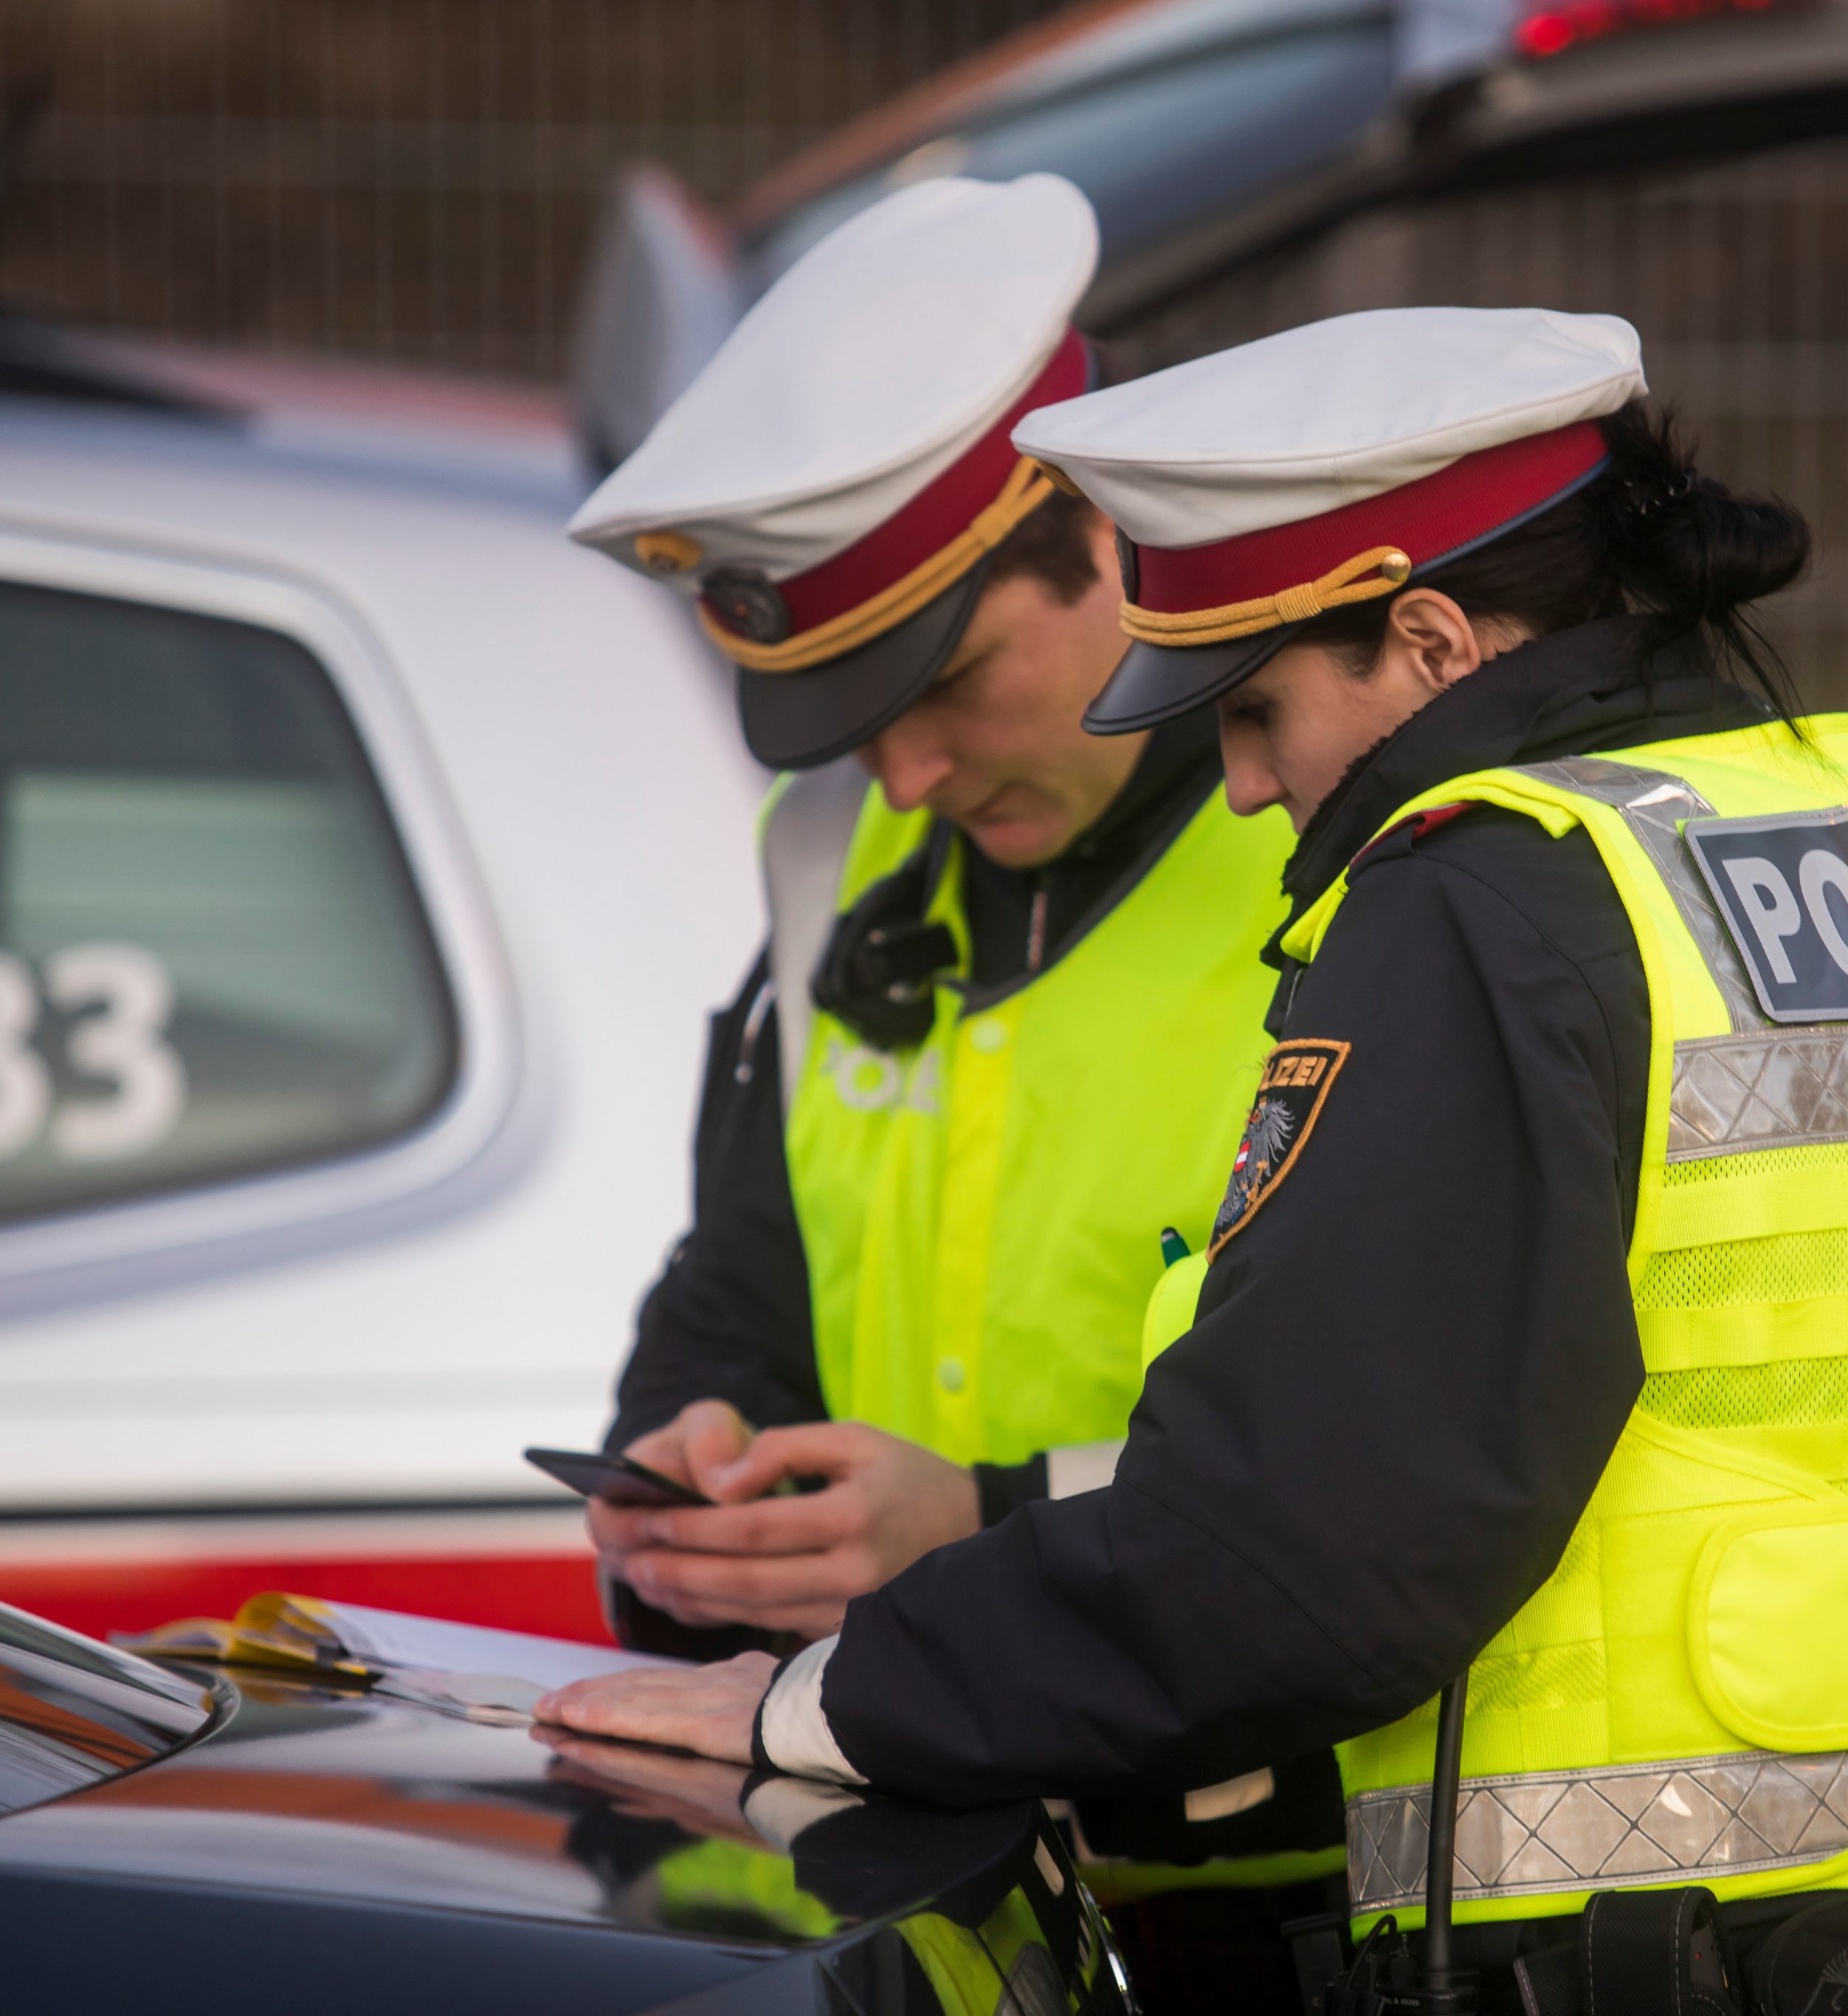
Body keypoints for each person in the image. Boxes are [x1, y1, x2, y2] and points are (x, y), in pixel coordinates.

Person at [542, 306, 1848, 2016]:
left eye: (1259, 709)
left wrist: (819, 1704)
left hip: (1612, 1957)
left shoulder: (1479, 894)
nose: (1238, 784)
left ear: (1432, 641)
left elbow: (1302, 1545)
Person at [561, 173, 1344, 1997]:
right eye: (846, 719)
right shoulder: (829, 855)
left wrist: (981, 1530)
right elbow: (744, 1282)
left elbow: (1403, 1449)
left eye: (951, 680)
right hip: (935, 1893)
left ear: (1103, 533)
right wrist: (705, 1465)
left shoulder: (1352, 843)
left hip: (1296, 1899)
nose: (900, 774)